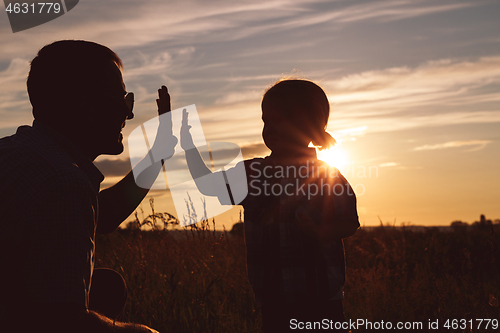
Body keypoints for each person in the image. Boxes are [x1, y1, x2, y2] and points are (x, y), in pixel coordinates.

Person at [0, 40, 176, 333]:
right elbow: (62, 321)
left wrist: (157, 155)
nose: (128, 114)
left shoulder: (16, 153)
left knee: (106, 286)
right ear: (86, 105)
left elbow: (100, 216)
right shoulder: (63, 181)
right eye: (122, 101)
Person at [179, 79, 359, 332]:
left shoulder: (326, 176)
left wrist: (320, 232)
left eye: (281, 119)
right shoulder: (252, 173)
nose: (270, 127)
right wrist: (188, 145)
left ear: (309, 127)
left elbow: (349, 222)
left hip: (321, 300)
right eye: (266, 120)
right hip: (274, 300)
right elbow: (208, 185)